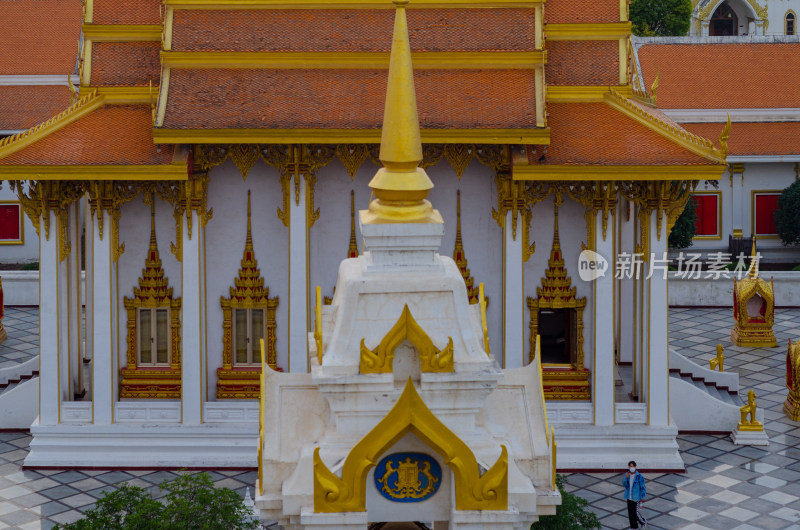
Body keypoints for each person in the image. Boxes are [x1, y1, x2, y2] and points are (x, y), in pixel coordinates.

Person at [622, 460, 646, 529]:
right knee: (630, 514)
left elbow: (643, 487)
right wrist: (626, 478)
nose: (631, 467)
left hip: (636, 498)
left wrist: (642, 497)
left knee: (635, 513)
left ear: (635, 467)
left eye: (632, 466)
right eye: (630, 466)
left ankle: (643, 522)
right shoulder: (627, 475)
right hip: (629, 497)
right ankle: (634, 527)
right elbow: (624, 484)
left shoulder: (639, 476)